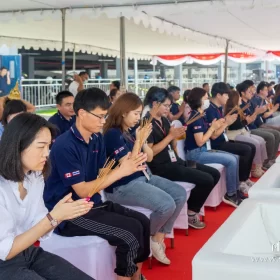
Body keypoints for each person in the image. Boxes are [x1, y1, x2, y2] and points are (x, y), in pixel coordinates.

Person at [44, 88, 150, 280]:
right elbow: (82, 189)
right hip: (69, 212)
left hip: (92, 203)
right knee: (129, 233)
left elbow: (102, 173)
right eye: (100, 117)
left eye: (105, 116)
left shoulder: (96, 138)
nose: (103, 122)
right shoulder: (64, 145)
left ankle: (137, 276)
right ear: (82, 113)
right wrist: (120, 171)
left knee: (143, 222)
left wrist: (127, 164)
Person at [0, 113, 94, 280]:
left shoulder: (34, 176)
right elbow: (5, 251)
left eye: (49, 146)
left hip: (26, 252)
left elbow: (37, 222)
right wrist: (54, 217)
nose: (47, 153)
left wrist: (61, 214)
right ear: (18, 145)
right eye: (41, 146)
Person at [103, 93, 186, 265]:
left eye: (140, 114)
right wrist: (139, 142)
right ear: (123, 112)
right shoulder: (112, 134)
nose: (138, 118)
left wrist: (141, 141)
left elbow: (148, 157)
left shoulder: (129, 131)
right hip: (122, 186)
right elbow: (129, 165)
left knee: (179, 193)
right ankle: (146, 239)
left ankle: (156, 239)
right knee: (166, 204)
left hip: (143, 175)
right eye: (135, 113)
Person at [145, 88, 220, 229]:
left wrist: (174, 138)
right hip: (162, 168)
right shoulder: (147, 124)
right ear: (155, 104)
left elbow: (171, 144)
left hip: (176, 161)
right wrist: (170, 137)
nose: (168, 109)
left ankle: (190, 209)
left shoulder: (164, 120)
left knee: (214, 174)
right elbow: (150, 154)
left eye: (169, 106)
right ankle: (191, 214)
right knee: (206, 179)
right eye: (166, 106)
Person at [185, 87, 246, 207]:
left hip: (203, 150)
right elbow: (200, 142)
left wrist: (220, 125)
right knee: (231, 160)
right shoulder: (195, 117)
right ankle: (231, 194)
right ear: (199, 100)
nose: (208, 100)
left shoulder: (200, 115)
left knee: (235, 157)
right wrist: (213, 127)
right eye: (206, 98)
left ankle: (235, 190)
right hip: (196, 153)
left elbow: (210, 135)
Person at [205, 82, 256, 185]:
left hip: (224, 140)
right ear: (218, 95)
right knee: (246, 150)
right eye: (226, 95)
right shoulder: (210, 110)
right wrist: (227, 123)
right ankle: (241, 181)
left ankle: (245, 178)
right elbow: (214, 136)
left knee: (251, 147)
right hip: (216, 145)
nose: (228, 97)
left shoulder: (218, 108)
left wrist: (227, 122)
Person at [225, 88, 267, 178]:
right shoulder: (230, 111)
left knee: (261, 140)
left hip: (242, 131)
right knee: (255, 143)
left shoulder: (238, 109)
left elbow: (245, 123)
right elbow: (235, 126)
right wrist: (248, 118)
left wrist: (254, 114)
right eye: (239, 97)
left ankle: (259, 165)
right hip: (234, 134)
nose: (240, 98)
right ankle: (254, 168)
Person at [240, 80, 280, 170]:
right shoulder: (246, 103)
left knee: (276, 133)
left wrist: (259, 112)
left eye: (253, 89)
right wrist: (258, 112)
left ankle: (271, 159)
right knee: (270, 136)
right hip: (251, 128)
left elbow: (254, 118)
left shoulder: (250, 102)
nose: (253, 91)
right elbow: (247, 122)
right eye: (250, 90)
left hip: (256, 125)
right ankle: (264, 162)